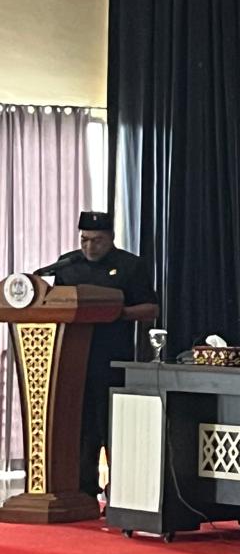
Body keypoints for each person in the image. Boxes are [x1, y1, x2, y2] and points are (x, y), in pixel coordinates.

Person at [52, 211, 159, 499]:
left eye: (97, 240)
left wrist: (116, 312)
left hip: (113, 359)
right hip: (74, 361)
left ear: (111, 238)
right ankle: (82, 490)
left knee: (113, 427)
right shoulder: (68, 265)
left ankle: (121, 491)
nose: (90, 246)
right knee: (81, 427)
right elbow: (55, 305)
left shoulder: (130, 265)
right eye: (84, 240)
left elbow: (151, 309)